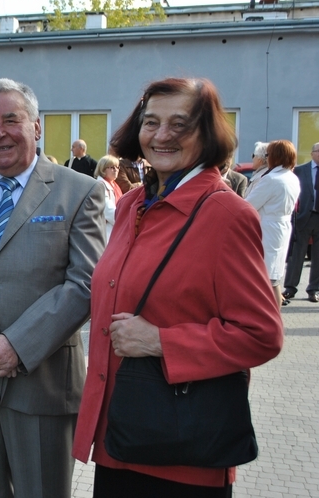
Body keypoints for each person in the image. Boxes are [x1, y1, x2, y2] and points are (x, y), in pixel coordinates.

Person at [72, 77, 283, 497]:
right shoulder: (133, 203)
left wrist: (161, 341)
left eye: (180, 124)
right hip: (121, 435)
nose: (162, 135)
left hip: (181, 451)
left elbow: (262, 335)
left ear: (207, 134)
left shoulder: (225, 214)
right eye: (151, 122)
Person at [0, 78, 105, 498]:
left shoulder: (80, 191)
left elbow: (85, 282)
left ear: (37, 127)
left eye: (11, 120)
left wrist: (17, 345)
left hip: (43, 386)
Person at [245, 140, 301, 306]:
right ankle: (275, 316)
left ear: (275, 156)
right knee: (274, 278)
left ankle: (264, 316)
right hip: (282, 226)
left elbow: (249, 204)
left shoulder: (271, 179)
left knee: (262, 277)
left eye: (268, 155)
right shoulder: (292, 177)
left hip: (267, 228)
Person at [282, 142, 319, 302]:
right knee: (297, 254)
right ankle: (290, 288)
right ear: (312, 153)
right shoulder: (300, 170)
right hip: (303, 217)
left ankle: (314, 290)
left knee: (317, 256)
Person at [94, 154, 122, 241]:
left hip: (114, 227)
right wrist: (123, 220)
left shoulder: (115, 185)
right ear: (103, 169)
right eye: (112, 167)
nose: (116, 170)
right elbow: (108, 210)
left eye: (117, 167)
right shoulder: (100, 185)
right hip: (106, 229)